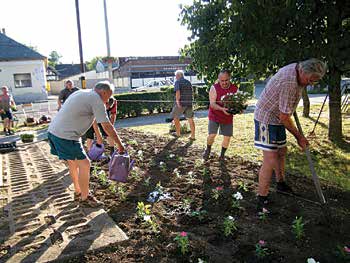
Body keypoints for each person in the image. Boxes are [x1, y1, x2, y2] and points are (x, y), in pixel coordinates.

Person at [254, 58, 327, 213]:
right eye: (310, 80)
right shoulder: (290, 82)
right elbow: (284, 117)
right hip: (266, 118)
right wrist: (299, 136)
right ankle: (262, 199)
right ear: (302, 71)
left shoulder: (297, 72)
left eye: (314, 81)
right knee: (270, 158)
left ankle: (281, 183)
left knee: (282, 151)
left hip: (279, 117)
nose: (310, 84)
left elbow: (284, 113)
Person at [47, 81, 125, 207]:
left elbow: (93, 121)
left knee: (73, 164)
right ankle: (85, 198)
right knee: (85, 164)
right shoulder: (96, 99)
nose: (109, 100)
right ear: (104, 92)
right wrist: (120, 145)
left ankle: (78, 192)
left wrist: (98, 138)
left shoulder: (82, 93)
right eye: (109, 95)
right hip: (66, 136)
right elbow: (107, 126)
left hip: (55, 132)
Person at [203, 70, 238, 161]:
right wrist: (222, 109)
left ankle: (222, 155)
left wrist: (239, 109)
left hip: (227, 116)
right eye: (222, 81)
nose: (224, 83)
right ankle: (208, 149)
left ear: (229, 78)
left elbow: (237, 103)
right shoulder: (214, 88)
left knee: (227, 137)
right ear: (218, 80)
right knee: (212, 134)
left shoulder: (234, 88)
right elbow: (212, 104)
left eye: (226, 80)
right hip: (215, 115)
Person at [170, 70, 195, 140]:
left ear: (178, 75)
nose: (175, 78)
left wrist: (178, 102)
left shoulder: (178, 82)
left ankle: (178, 134)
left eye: (176, 76)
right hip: (189, 103)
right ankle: (193, 136)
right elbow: (192, 92)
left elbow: (178, 92)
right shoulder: (188, 82)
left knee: (175, 117)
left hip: (181, 103)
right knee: (190, 119)